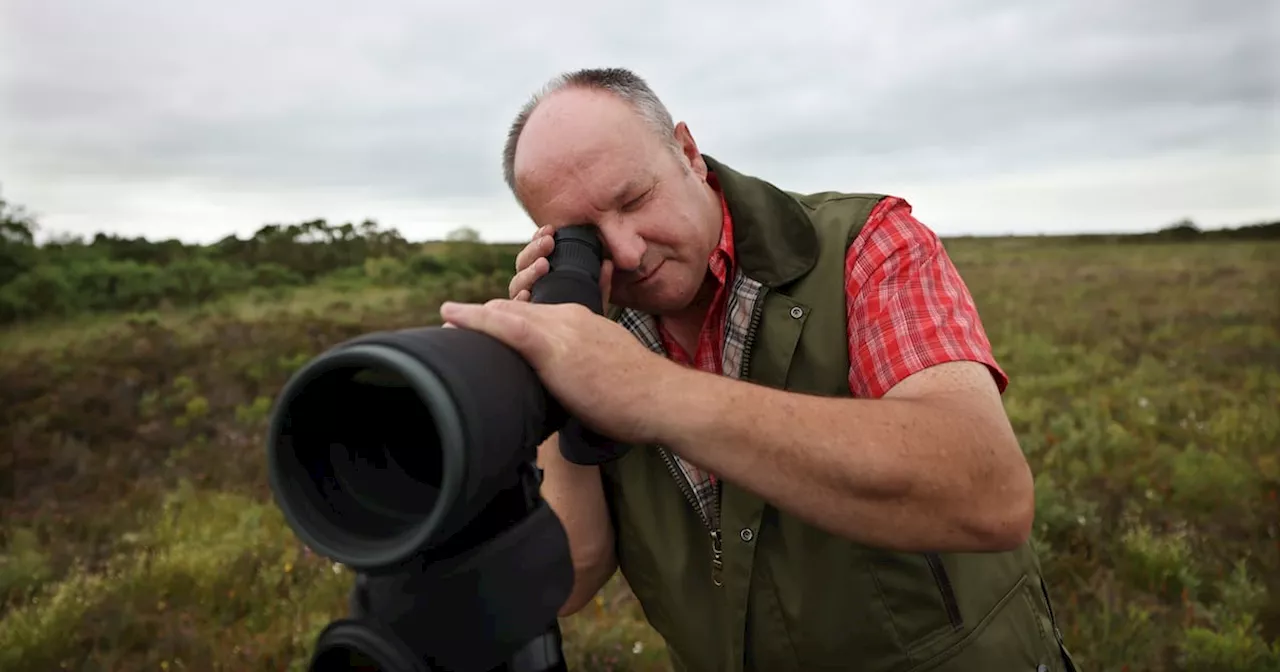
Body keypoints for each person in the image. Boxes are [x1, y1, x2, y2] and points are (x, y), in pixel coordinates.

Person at [440, 68, 1078, 672]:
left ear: (687, 152)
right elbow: (570, 577)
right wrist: (554, 374)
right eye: (586, 236)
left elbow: (989, 494)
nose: (629, 251)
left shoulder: (868, 244)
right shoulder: (598, 329)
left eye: (635, 198)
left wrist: (644, 390)